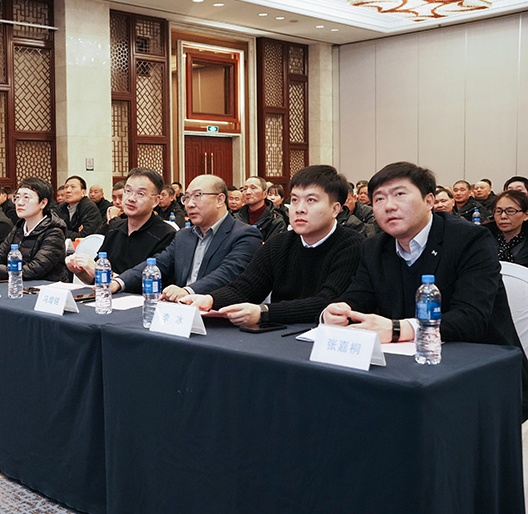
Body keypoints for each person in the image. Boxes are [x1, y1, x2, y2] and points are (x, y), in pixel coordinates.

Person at [322, 162, 528, 419]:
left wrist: (398, 329)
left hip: (483, 375)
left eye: (399, 194)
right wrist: (339, 311)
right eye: (379, 199)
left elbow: (472, 317)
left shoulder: (471, 239)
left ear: (429, 200)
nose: (388, 206)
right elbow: (358, 297)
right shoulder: (374, 247)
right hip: (406, 373)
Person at [182, 166, 364, 325]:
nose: (299, 209)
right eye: (294, 200)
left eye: (311, 200)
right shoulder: (279, 244)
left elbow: (327, 302)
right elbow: (246, 287)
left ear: (335, 209)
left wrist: (264, 312)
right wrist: (210, 300)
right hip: (280, 334)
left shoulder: (352, 245)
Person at [113, 174, 263, 302]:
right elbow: (159, 263)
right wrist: (119, 282)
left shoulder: (245, 235)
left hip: (220, 314)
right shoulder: (184, 235)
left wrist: (187, 291)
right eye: (187, 198)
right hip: (182, 311)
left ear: (220, 200)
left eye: (197, 196)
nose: (190, 204)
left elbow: (227, 273)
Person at [67, 168, 175, 284]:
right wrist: (80, 270)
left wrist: (109, 275)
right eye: (128, 191)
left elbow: (151, 283)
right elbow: (96, 278)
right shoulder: (115, 228)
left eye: (140, 194)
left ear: (155, 201)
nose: (131, 198)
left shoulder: (166, 234)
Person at [0, 177, 67, 282]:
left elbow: (34, 270)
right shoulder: (19, 228)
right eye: (17, 197)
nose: (19, 202)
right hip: (21, 285)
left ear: (43, 203)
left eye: (26, 198)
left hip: (47, 287)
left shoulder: (54, 232)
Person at [234, 176, 286, 242]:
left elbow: (273, 246)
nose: (248, 192)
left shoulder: (275, 221)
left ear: (265, 194)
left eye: (253, 188)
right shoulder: (236, 218)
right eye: (245, 189)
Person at [484, 190, 528, 266]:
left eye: (510, 211)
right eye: (498, 211)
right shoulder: (483, 238)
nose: (503, 216)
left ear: (526, 215)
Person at [58, 175, 103, 239]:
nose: (68, 190)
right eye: (66, 187)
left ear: (83, 192)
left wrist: (63, 232)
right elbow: (53, 230)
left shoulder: (89, 208)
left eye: (73, 187)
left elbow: (85, 235)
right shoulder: (61, 208)